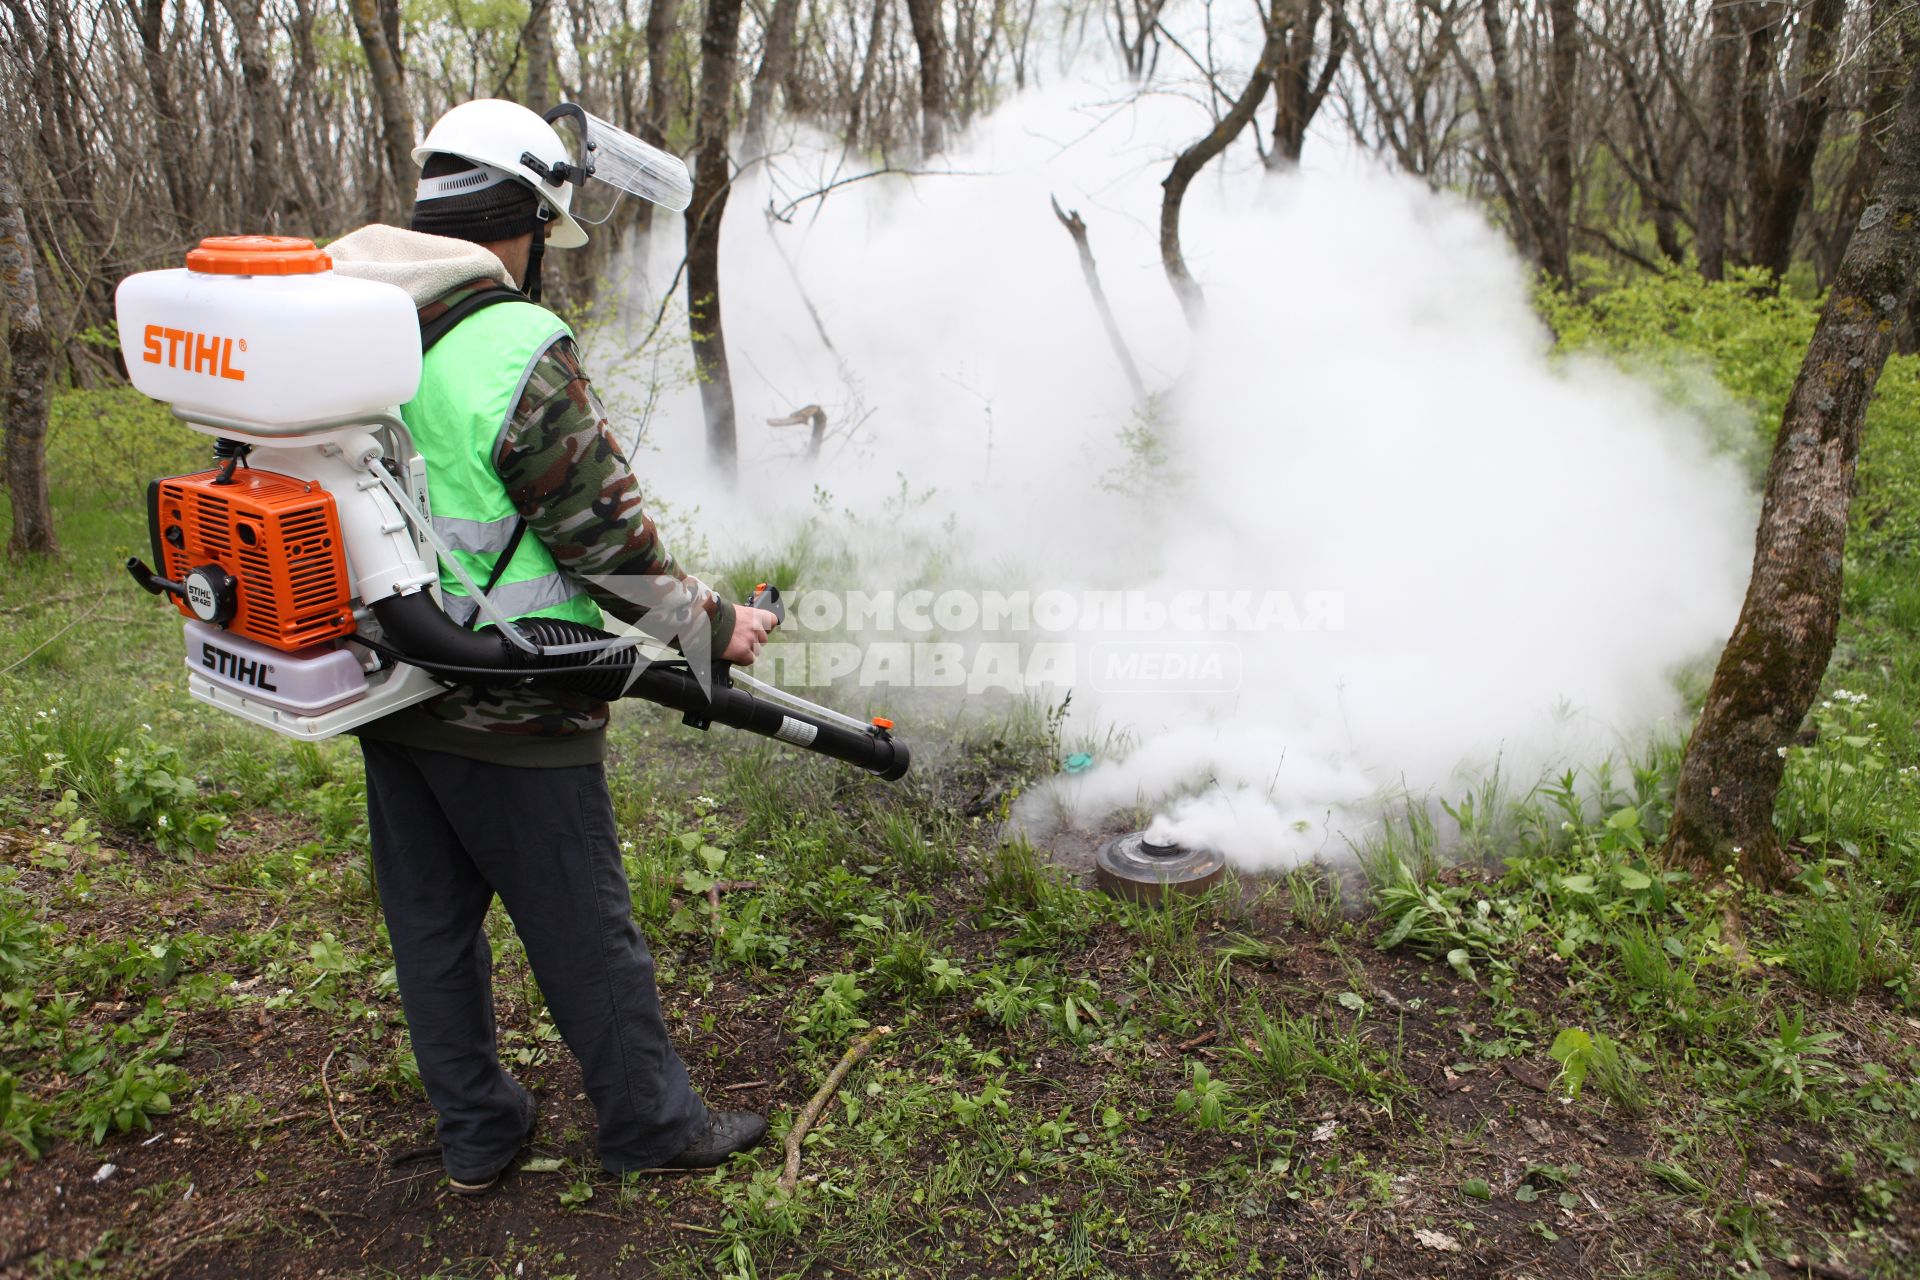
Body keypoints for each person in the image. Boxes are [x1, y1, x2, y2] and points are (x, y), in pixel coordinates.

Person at [325, 99, 776, 1193]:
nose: (541, 257)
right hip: (516, 699)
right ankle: (651, 1124)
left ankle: (478, 1131)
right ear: (522, 214)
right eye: (544, 229)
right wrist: (719, 628)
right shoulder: (509, 343)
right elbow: (606, 544)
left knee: (432, 927)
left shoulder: (348, 325)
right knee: (585, 926)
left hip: (388, 684)